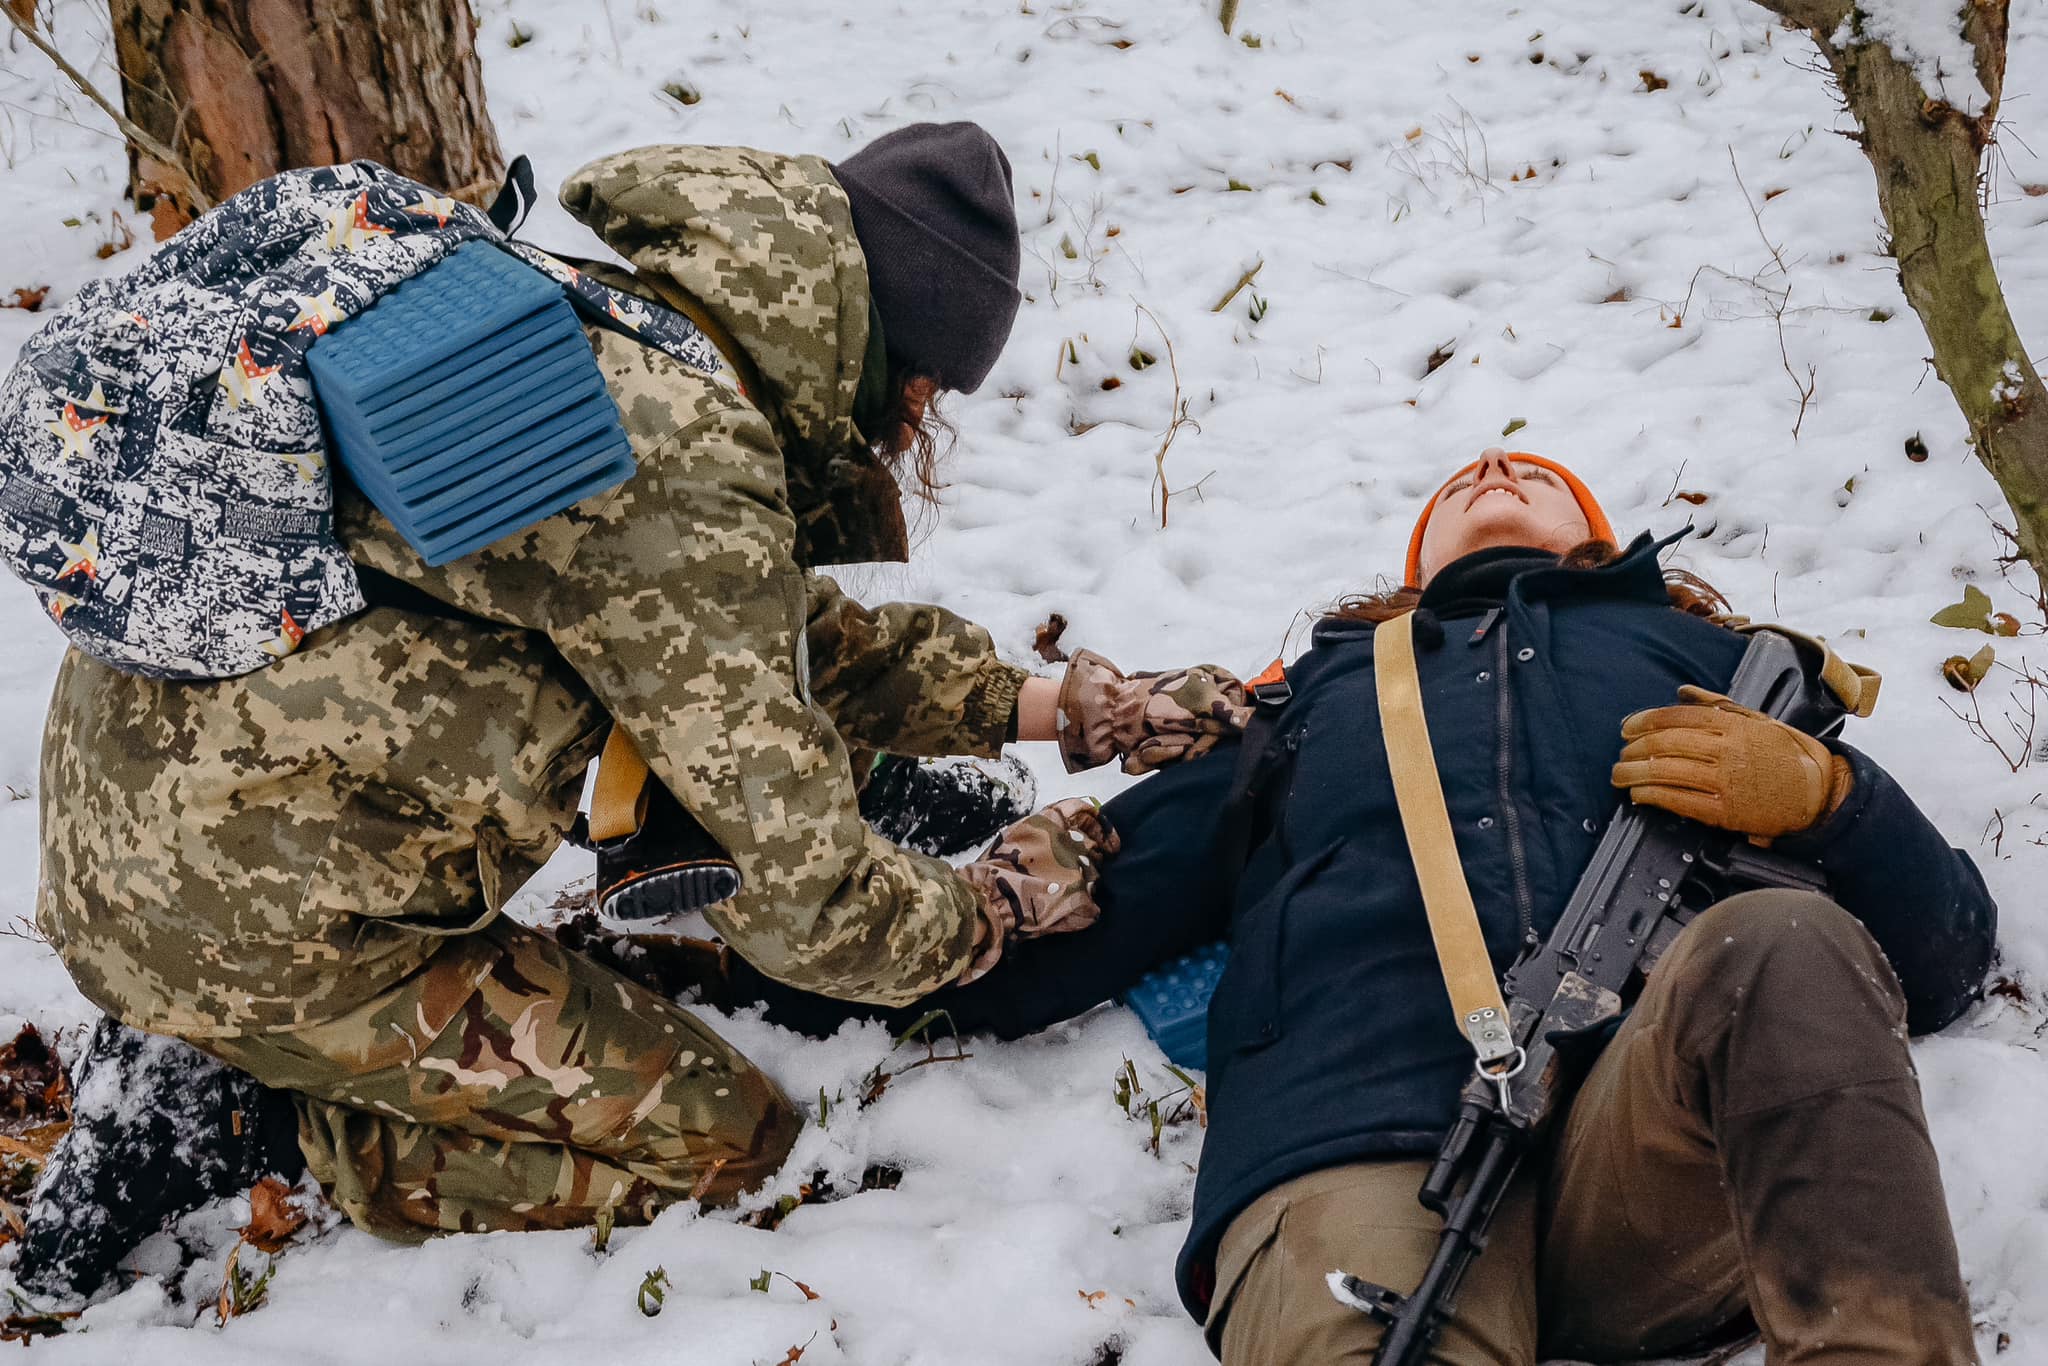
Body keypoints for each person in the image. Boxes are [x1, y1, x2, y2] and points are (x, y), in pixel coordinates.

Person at [18, 122, 1246, 1296]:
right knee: (725, 1140)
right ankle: (253, 1111)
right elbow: (810, 908)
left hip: (162, 830)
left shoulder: (621, 340)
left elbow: (761, 640)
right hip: (261, 930)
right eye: (925, 393)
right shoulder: (688, 479)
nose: (916, 428)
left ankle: (225, 1020)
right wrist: (992, 908)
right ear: (886, 360)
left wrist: (1068, 709)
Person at [708, 447, 1995, 1364]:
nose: (1496, 470)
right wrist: (754, 934)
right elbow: (1062, 926)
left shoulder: (1719, 665)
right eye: (1464, 483)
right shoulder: (1305, 704)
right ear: (1412, 559)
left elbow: (1937, 959)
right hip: (1355, 1149)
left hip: (1665, 1160)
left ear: (1593, 538)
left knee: (1778, 938)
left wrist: (1831, 798)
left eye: (1533, 475)